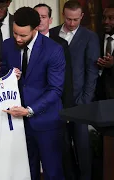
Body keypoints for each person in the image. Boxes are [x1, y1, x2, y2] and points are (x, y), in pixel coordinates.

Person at [1, 7, 65, 180]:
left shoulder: (54, 50)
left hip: (46, 122)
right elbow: (3, 78)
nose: (18, 38)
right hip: (17, 123)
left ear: (36, 28)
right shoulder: (7, 45)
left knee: (53, 172)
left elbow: (55, 89)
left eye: (23, 35)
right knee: (26, 173)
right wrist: (9, 77)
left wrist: (30, 110)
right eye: (15, 33)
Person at [50, 2, 100, 179]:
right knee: (62, 145)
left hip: (80, 101)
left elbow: (92, 72)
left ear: (82, 17)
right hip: (57, 99)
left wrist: (85, 101)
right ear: (63, 15)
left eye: (76, 19)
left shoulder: (90, 37)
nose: (71, 23)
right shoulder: (52, 33)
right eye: (69, 19)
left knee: (82, 145)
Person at [34, 3, 77, 179]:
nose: (39, 20)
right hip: (32, 109)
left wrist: (66, 111)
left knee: (61, 154)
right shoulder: (21, 43)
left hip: (56, 109)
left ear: (50, 20)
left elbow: (66, 81)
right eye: (36, 17)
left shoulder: (60, 44)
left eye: (43, 17)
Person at [96, 3, 114, 100]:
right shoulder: (95, 39)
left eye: (111, 18)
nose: (106, 21)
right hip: (98, 98)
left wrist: (113, 65)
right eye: (104, 18)